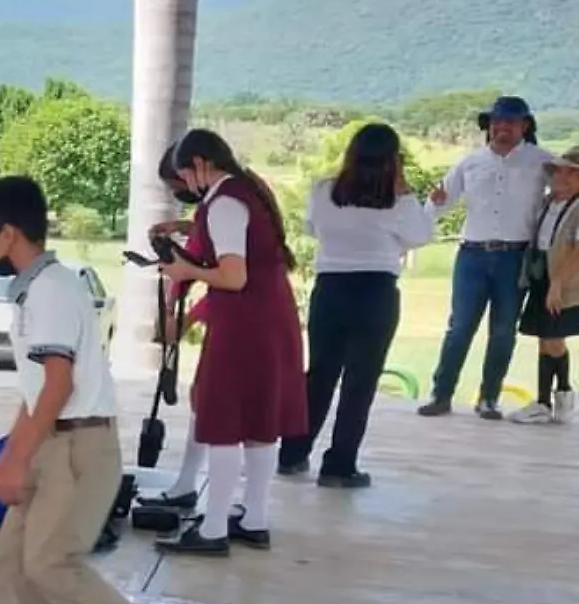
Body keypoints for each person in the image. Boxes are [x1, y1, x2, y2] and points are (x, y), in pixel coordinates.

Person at [0, 175, 209, 604]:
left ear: (9, 234)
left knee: (50, 565)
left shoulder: (52, 289)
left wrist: (21, 456)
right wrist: (12, 453)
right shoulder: (35, 290)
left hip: (76, 447)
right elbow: (36, 390)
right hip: (51, 440)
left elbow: (59, 385)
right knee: (13, 563)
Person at [152, 130, 307, 555]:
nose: (186, 184)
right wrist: (188, 229)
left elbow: (233, 276)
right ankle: (253, 517)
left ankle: (214, 527)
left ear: (199, 164)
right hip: (270, 319)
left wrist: (186, 272)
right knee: (259, 422)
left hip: (241, 324)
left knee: (223, 422)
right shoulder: (244, 191)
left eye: (184, 174)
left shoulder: (223, 202)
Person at [277, 124, 437, 487]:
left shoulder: (323, 190)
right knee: (360, 382)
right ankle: (339, 465)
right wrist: (407, 193)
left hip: (330, 288)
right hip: (376, 291)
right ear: (393, 160)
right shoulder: (398, 200)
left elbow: (314, 229)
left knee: (319, 375)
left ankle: (293, 453)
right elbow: (421, 236)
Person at [421, 96, 556, 418]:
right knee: (460, 327)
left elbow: (567, 191)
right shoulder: (471, 162)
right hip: (473, 255)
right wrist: (431, 208)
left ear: (525, 126)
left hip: (515, 256)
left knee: (503, 329)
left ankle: (489, 397)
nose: (501, 128)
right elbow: (441, 203)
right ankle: (441, 394)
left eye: (509, 122)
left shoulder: (542, 161)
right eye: (496, 122)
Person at [509, 148, 579, 424]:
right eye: (559, 171)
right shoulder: (551, 202)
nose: (560, 177)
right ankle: (545, 400)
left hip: (561, 279)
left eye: (568, 172)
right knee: (543, 336)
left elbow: (576, 250)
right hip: (541, 275)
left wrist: (558, 284)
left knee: (553, 337)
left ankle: (561, 393)